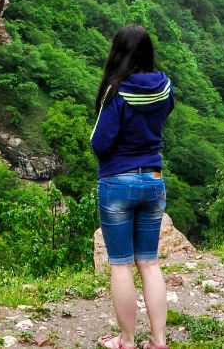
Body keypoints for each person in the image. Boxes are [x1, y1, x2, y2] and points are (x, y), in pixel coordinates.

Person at [91, 25, 174, 349]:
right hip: (153, 180)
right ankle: (158, 340)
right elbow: (165, 113)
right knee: (150, 264)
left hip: (118, 183)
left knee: (122, 264)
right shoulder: (165, 86)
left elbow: (100, 143)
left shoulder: (117, 92)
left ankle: (125, 340)